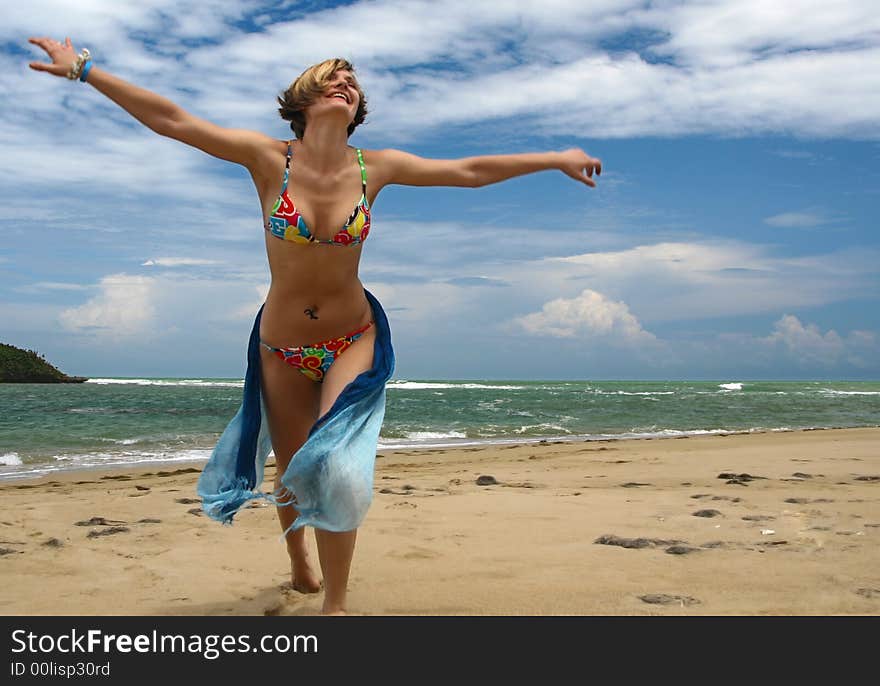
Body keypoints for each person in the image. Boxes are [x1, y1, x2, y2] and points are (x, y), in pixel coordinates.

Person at [28, 37, 602, 616]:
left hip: (353, 336)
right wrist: (84, 70)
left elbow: (470, 170)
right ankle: (299, 560)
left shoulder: (375, 167)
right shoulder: (266, 157)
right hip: (282, 346)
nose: (345, 84)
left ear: (358, 111)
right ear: (303, 98)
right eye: (333, 76)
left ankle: (338, 604)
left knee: (331, 463)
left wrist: (554, 158)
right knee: (294, 462)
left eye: (353, 82)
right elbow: (173, 120)